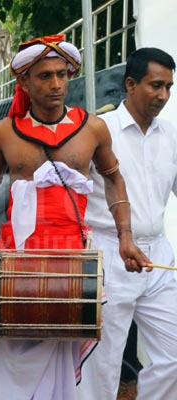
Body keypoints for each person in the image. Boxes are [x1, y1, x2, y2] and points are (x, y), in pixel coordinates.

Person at [0, 34, 149, 400]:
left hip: (71, 259)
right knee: (11, 359)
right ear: (23, 81)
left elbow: (115, 181)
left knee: (66, 372)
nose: (56, 84)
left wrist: (125, 237)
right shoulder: (3, 133)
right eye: (44, 76)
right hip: (16, 260)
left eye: (62, 74)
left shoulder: (92, 129)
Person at [77, 48, 177, 400]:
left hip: (159, 257)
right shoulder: (100, 130)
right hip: (108, 255)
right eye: (155, 86)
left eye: (168, 87)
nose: (163, 95)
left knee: (175, 356)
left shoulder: (171, 135)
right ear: (130, 84)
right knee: (100, 366)